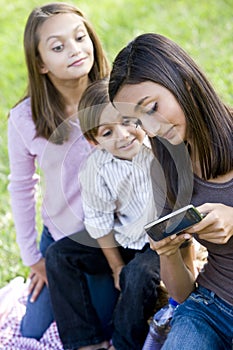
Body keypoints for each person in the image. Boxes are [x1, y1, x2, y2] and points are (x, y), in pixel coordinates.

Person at [108, 33, 233, 349]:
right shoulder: (167, 165)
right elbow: (181, 293)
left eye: (151, 107)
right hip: (210, 308)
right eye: (137, 120)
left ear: (183, 81)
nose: (149, 130)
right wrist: (168, 254)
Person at [7, 2, 114, 341]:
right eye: (58, 46)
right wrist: (33, 258)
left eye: (80, 37)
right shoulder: (25, 119)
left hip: (112, 240)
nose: (75, 50)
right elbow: (22, 186)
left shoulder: (117, 98)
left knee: (103, 327)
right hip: (59, 241)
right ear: (40, 64)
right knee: (32, 330)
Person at [46, 78, 161, 350]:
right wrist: (116, 266)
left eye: (126, 121)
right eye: (107, 132)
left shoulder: (159, 152)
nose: (122, 136)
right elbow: (98, 222)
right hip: (123, 236)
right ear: (93, 141)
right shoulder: (96, 168)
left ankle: (122, 344)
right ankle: (87, 342)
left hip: (159, 243)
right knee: (59, 255)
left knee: (139, 274)